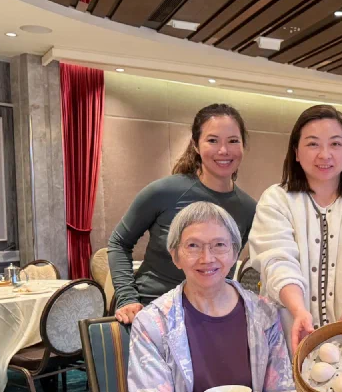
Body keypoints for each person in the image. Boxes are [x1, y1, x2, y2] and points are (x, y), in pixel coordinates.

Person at [127, 202, 292, 392]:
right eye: (193, 246)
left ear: (235, 253)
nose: (207, 258)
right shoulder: (153, 323)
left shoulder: (265, 315)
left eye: (219, 245)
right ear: (175, 256)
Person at [249, 105, 342, 351]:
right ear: (296, 152)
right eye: (313, 144)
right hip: (287, 336)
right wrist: (299, 310)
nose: (325, 155)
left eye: (336, 144)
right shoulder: (276, 199)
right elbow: (277, 261)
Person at [109, 104, 257, 325]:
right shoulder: (163, 192)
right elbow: (119, 243)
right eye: (213, 140)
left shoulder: (248, 208)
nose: (224, 150)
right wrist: (127, 298)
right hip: (151, 312)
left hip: (209, 317)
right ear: (196, 145)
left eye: (233, 141)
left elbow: (226, 269)